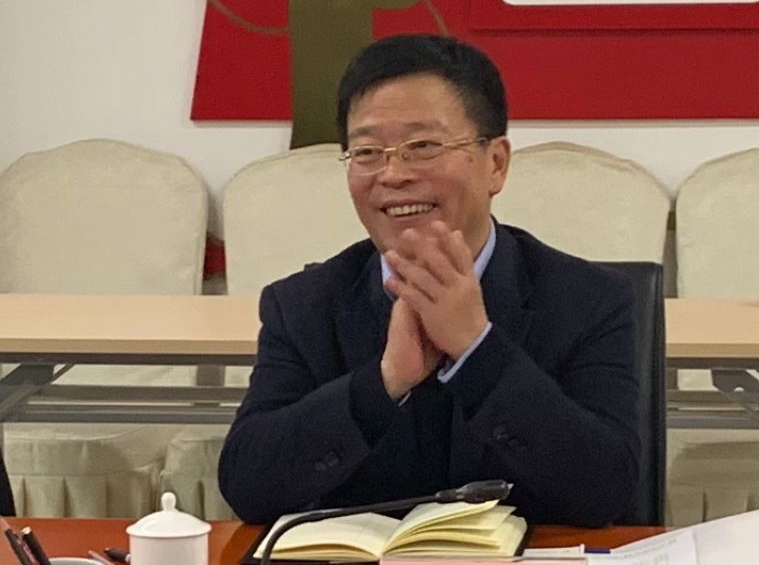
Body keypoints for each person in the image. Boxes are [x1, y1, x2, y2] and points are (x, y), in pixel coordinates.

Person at [218, 34, 642, 527]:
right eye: (367, 152)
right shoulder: (302, 306)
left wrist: (477, 352)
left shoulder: (591, 300)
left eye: (422, 146)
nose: (393, 174)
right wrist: (384, 382)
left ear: (496, 164)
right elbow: (248, 487)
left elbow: (608, 491)